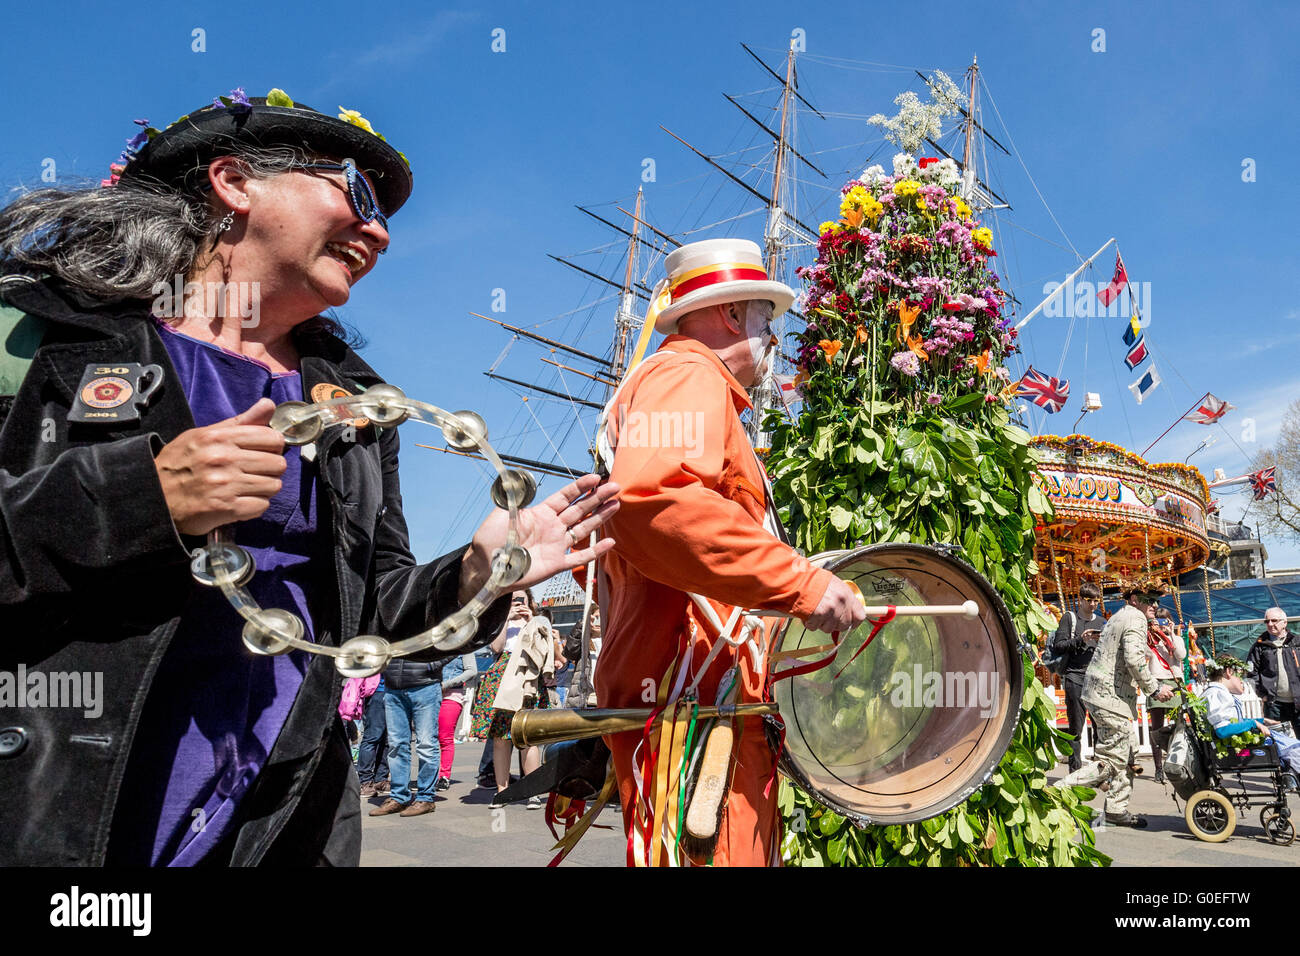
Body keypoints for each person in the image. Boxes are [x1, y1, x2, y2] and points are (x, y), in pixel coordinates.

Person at [0, 90, 619, 865]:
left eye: (388, 215)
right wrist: (144, 497)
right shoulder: (37, 336)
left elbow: (369, 617)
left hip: (284, 819)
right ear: (233, 181)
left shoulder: (360, 403)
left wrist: (474, 576)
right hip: (71, 812)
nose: (381, 232)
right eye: (357, 192)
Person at [594, 238, 868, 866]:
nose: (772, 338)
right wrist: (801, 582)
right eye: (765, 319)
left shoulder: (683, 380)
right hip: (694, 711)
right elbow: (651, 499)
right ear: (728, 315)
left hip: (701, 708)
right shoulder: (687, 372)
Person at [1060, 578, 1173, 828]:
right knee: (1112, 759)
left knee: (1129, 752)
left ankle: (1116, 808)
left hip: (1105, 694)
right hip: (1109, 697)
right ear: (1134, 599)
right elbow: (1133, 659)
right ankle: (1059, 791)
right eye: (1149, 599)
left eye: (1156, 600)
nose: (1154, 604)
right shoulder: (1135, 618)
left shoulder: (1122, 615)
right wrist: (1154, 688)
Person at [368, 656, 443, 818]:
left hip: (425, 685)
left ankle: (426, 798)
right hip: (393, 687)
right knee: (396, 745)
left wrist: (432, 663)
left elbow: (458, 641)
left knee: (426, 744)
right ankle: (399, 797)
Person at [1049, 582, 1104, 773]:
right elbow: (1059, 645)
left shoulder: (1101, 622)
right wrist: (1082, 639)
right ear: (1080, 600)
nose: (1093, 604)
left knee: (1100, 725)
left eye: (1096, 600)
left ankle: (1099, 769)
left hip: (1096, 677)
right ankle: (1075, 770)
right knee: (1076, 726)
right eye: (1089, 600)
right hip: (1075, 675)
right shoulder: (1069, 618)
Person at [1144, 602, 1186, 783]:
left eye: (1164, 620)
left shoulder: (1176, 638)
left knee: (1179, 726)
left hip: (1175, 681)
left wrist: (1171, 635)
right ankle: (1158, 768)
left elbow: (1181, 655)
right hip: (1157, 681)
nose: (1161, 624)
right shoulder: (1150, 640)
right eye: (1158, 621)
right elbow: (1144, 654)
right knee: (1157, 729)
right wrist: (1153, 634)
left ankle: (1178, 763)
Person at [1246, 608, 1300, 737]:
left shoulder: (1297, 642)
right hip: (1274, 704)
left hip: (1298, 702)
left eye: (1274, 620)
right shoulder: (1259, 646)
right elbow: (1251, 672)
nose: (1270, 624)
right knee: (1279, 741)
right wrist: (1262, 694)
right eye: (1267, 621)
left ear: (1284, 622)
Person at [435, 653, 477, 791]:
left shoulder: (464, 647)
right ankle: (429, 776)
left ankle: (444, 776)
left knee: (445, 737)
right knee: (427, 739)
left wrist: (447, 684)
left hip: (452, 695)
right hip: (429, 695)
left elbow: (472, 671)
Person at [356, 675, 390, 798]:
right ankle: (364, 782)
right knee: (372, 737)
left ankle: (380, 779)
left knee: (386, 739)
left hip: (394, 691)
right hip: (377, 691)